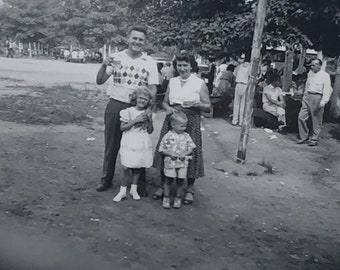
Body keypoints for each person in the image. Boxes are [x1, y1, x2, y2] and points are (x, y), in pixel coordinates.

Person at [95, 26, 158, 194]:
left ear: (145, 42)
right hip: (116, 104)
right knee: (112, 144)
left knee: (139, 143)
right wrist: (103, 65)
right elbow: (100, 80)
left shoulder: (149, 63)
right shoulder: (116, 57)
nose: (137, 42)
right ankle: (106, 179)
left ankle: (140, 184)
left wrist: (149, 111)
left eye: (141, 39)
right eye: (134, 38)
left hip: (138, 107)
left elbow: (152, 89)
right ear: (128, 39)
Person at [153, 52, 211, 204]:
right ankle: (163, 185)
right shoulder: (172, 82)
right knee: (167, 149)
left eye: (185, 65)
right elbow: (164, 102)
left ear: (191, 66)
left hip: (190, 120)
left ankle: (189, 188)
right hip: (172, 119)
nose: (182, 68)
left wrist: (197, 104)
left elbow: (208, 107)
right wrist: (168, 108)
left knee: (191, 151)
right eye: (179, 65)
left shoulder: (199, 83)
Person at [113, 88, 154, 202]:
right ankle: (122, 191)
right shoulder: (128, 111)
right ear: (135, 98)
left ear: (149, 101)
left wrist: (150, 120)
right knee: (126, 167)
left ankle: (134, 189)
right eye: (141, 98)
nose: (142, 101)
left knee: (138, 167)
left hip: (142, 140)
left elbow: (150, 131)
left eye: (146, 99)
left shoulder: (148, 113)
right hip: (130, 140)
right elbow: (122, 127)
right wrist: (136, 120)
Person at [158, 111, 196, 209]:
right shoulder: (168, 136)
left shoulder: (186, 136)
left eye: (185, 126)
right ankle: (166, 198)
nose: (184, 128)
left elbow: (191, 148)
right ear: (173, 125)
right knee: (168, 180)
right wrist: (170, 154)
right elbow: (162, 149)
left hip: (182, 163)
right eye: (181, 126)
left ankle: (178, 198)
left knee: (181, 181)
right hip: (170, 162)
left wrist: (185, 153)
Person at [297, 58, 333, 146]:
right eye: (311, 65)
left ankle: (314, 139)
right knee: (301, 117)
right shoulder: (310, 74)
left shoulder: (325, 75)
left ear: (319, 65)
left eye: (314, 65)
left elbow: (327, 90)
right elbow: (307, 85)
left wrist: (323, 102)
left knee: (316, 119)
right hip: (307, 96)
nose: (312, 67)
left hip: (317, 97)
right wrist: (304, 96)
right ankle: (304, 136)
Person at [232, 53, 251, 126]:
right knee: (243, 104)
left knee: (236, 103)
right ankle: (240, 122)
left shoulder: (239, 66)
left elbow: (234, 75)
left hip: (238, 84)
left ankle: (234, 120)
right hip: (245, 85)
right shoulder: (250, 67)